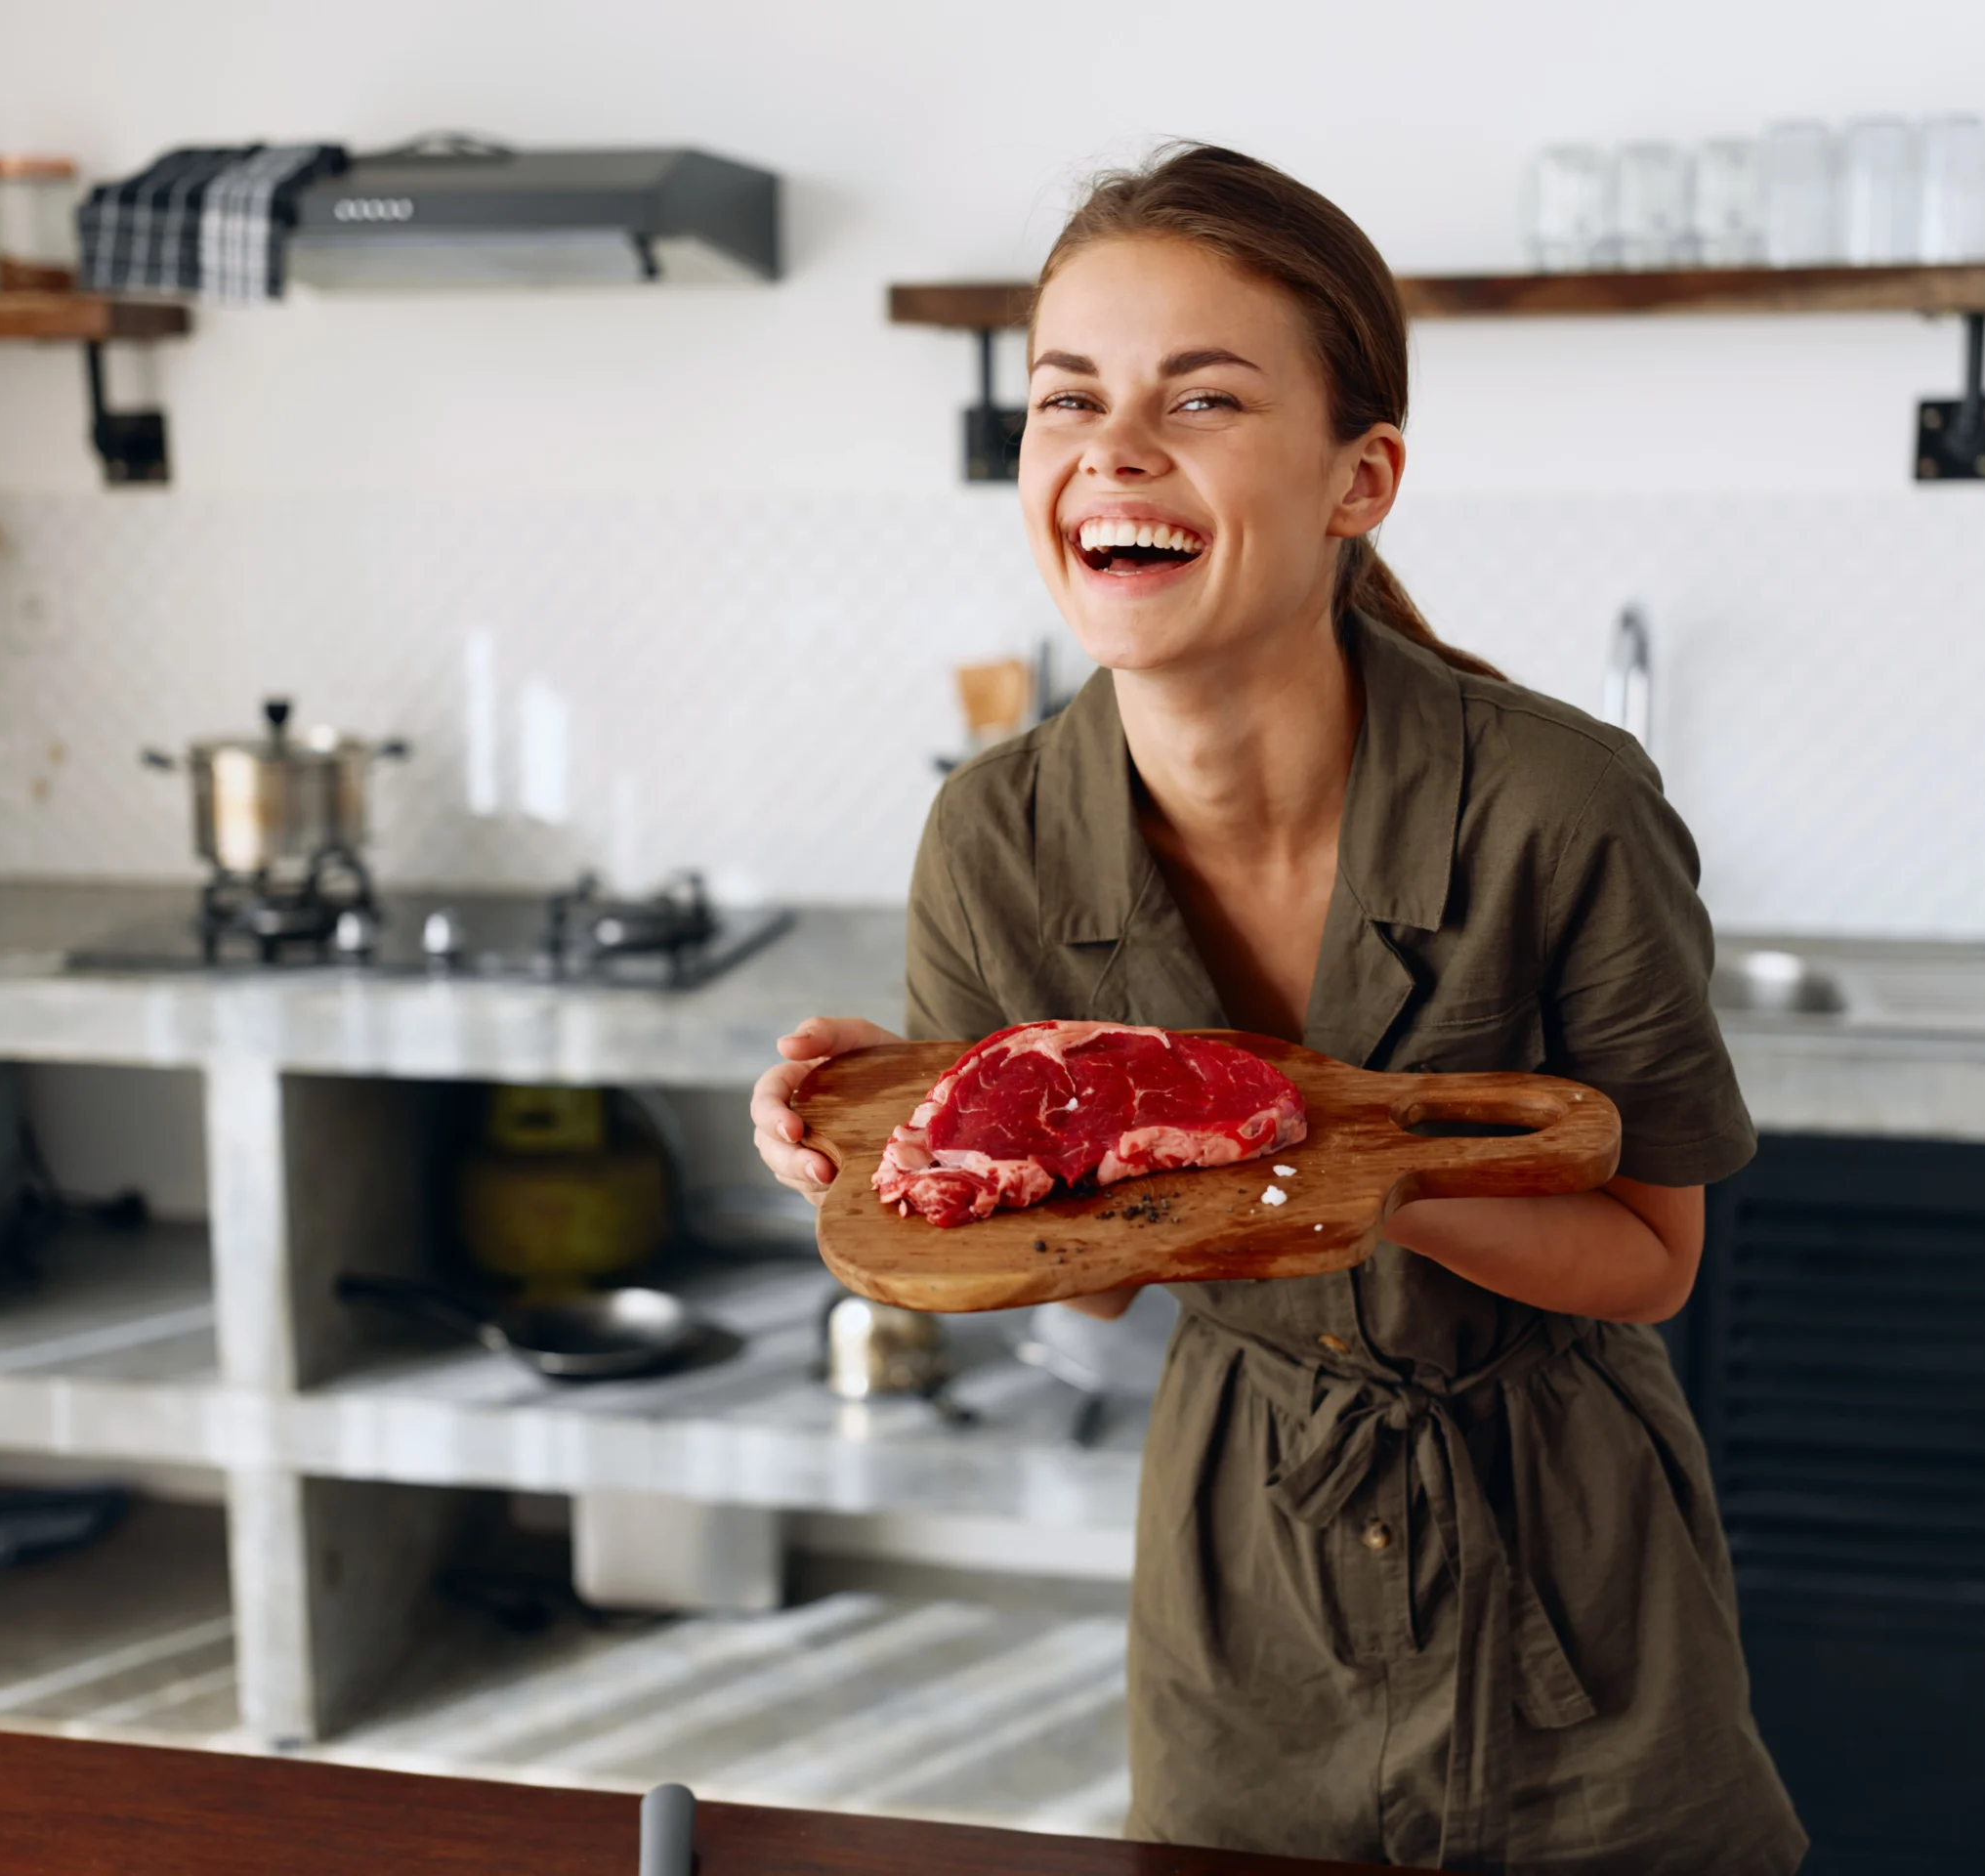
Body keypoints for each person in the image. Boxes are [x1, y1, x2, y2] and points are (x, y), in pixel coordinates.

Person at [749, 144, 1803, 1875]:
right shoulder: (997, 835)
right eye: (1064, 397)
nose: (1111, 449)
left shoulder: (1558, 803)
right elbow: (1074, 1302)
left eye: (1204, 397)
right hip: (1249, 1575)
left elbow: (1655, 1255)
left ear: (1358, 477)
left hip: (1567, 1565)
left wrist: (1355, 1168)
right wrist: (894, 1142)